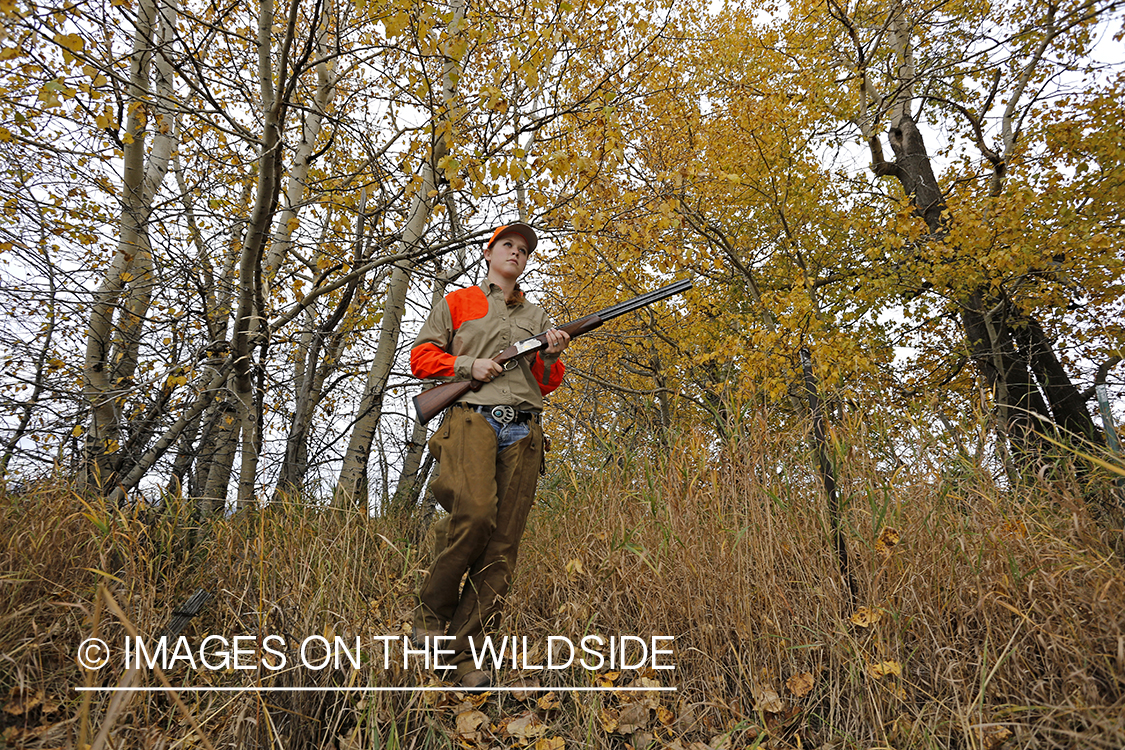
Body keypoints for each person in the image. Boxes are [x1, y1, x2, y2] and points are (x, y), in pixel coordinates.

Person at [409, 222, 570, 690]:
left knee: (502, 548)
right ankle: (431, 611)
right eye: (508, 246)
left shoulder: (538, 316)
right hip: (472, 418)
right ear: (489, 251)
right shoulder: (458, 302)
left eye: (523, 250)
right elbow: (421, 358)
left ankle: (462, 655)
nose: (516, 254)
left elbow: (545, 382)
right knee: (475, 516)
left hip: (524, 429)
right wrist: (467, 365)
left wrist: (552, 354)